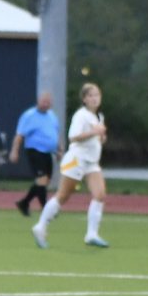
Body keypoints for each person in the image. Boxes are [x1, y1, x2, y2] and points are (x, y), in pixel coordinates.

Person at [31, 83, 110, 249]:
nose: (95, 98)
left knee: (100, 194)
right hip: (76, 159)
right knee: (63, 196)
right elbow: (73, 137)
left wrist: (101, 138)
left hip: (91, 161)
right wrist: (94, 133)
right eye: (91, 95)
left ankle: (92, 234)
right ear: (84, 99)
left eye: (97, 95)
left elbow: (97, 138)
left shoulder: (99, 117)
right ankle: (41, 226)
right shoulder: (81, 115)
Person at [8, 90, 61, 216]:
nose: (45, 104)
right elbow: (20, 135)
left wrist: (59, 150)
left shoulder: (52, 116)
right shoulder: (29, 115)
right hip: (35, 150)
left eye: (48, 102)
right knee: (41, 180)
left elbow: (55, 134)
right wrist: (14, 151)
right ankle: (46, 209)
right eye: (43, 101)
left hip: (47, 152)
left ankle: (24, 203)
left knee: (44, 181)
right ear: (38, 101)